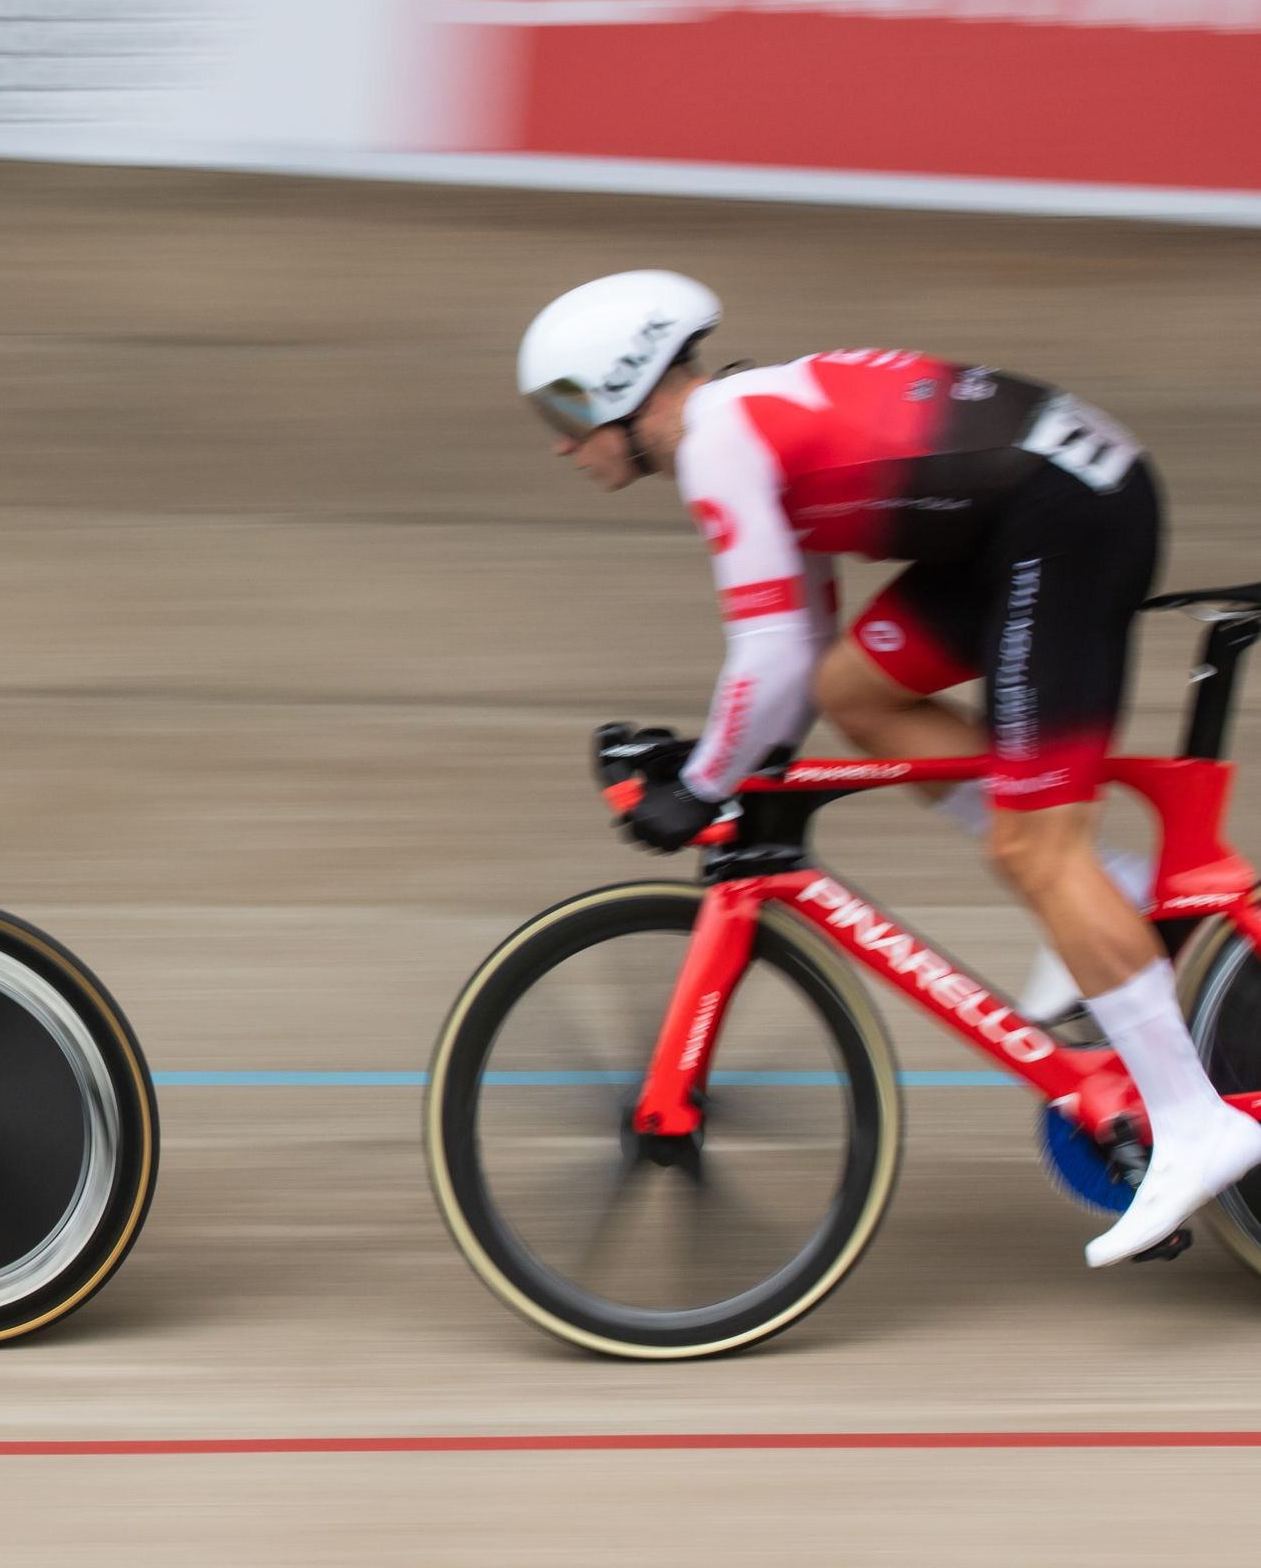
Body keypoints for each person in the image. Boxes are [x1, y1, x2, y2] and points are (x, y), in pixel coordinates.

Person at [518, 270, 1261, 1267]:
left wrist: (699, 782)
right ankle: (1114, 889)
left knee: (1034, 851)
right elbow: (803, 644)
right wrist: (729, 763)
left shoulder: (715, 442)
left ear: (624, 382)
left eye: (564, 410)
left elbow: (766, 651)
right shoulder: (745, 422)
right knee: (855, 688)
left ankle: (1193, 1122)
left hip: (1060, 521)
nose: (560, 442)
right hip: (1031, 512)